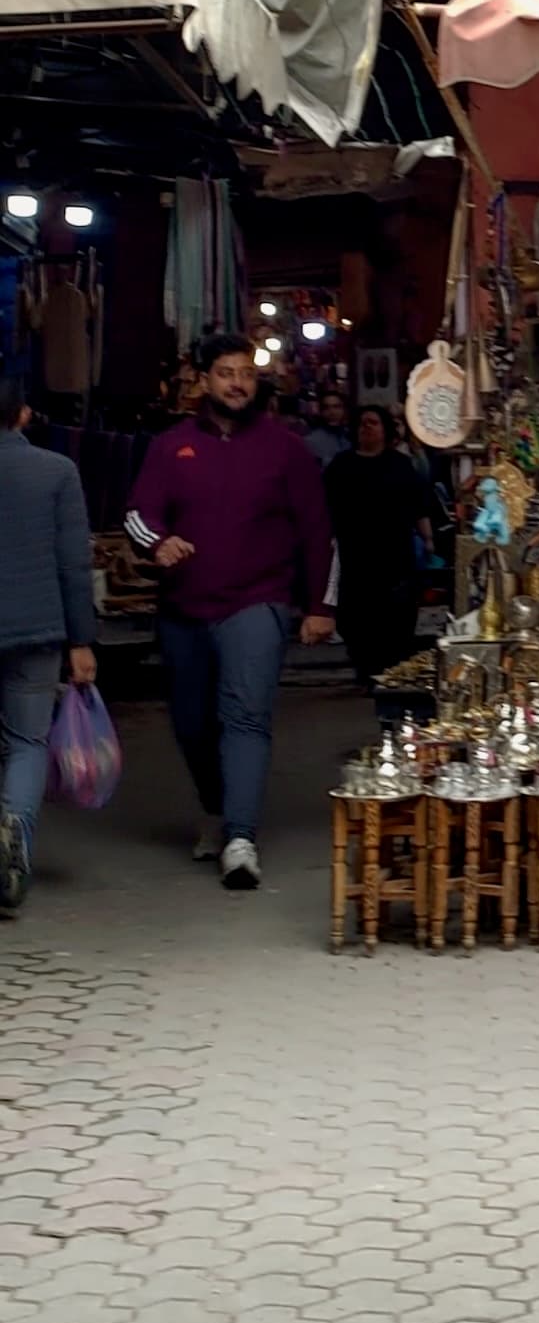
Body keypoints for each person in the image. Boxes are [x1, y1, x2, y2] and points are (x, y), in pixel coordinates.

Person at [125, 330, 336, 891]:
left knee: (245, 716)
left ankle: (240, 839)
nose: (238, 383)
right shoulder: (170, 447)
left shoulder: (286, 448)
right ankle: (218, 810)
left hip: (256, 602)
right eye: (226, 373)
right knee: (193, 724)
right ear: (203, 380)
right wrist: (158, 544)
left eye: (245, 373)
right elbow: (137, 516)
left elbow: (320, 533)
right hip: (184, 609)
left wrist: (320, 606)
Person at [0, 379, 99, 912]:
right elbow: (73, 566)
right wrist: (81, 641)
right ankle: (15, 835)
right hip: (36, 630)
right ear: (23, 414)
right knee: (26, 741)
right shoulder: (56, 472)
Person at [325, 405, 434, 688]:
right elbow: (325, 508)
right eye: (362, 423)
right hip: (355, 552)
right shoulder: (342, 465)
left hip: (393, 551)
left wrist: (428, 539)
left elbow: (418, 505)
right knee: (357, 616)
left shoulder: (399, 464)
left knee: (396, 614)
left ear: (385, 429)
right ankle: (365, 669)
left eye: (373, 423)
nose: (367, 428)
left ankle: (392, 671)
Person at [302, 386, 352, 473]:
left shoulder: (351, 436)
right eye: (326, 408)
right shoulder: (311, 441)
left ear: (344, 410)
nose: (332, 412)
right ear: (321, 412)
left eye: (336, 407)